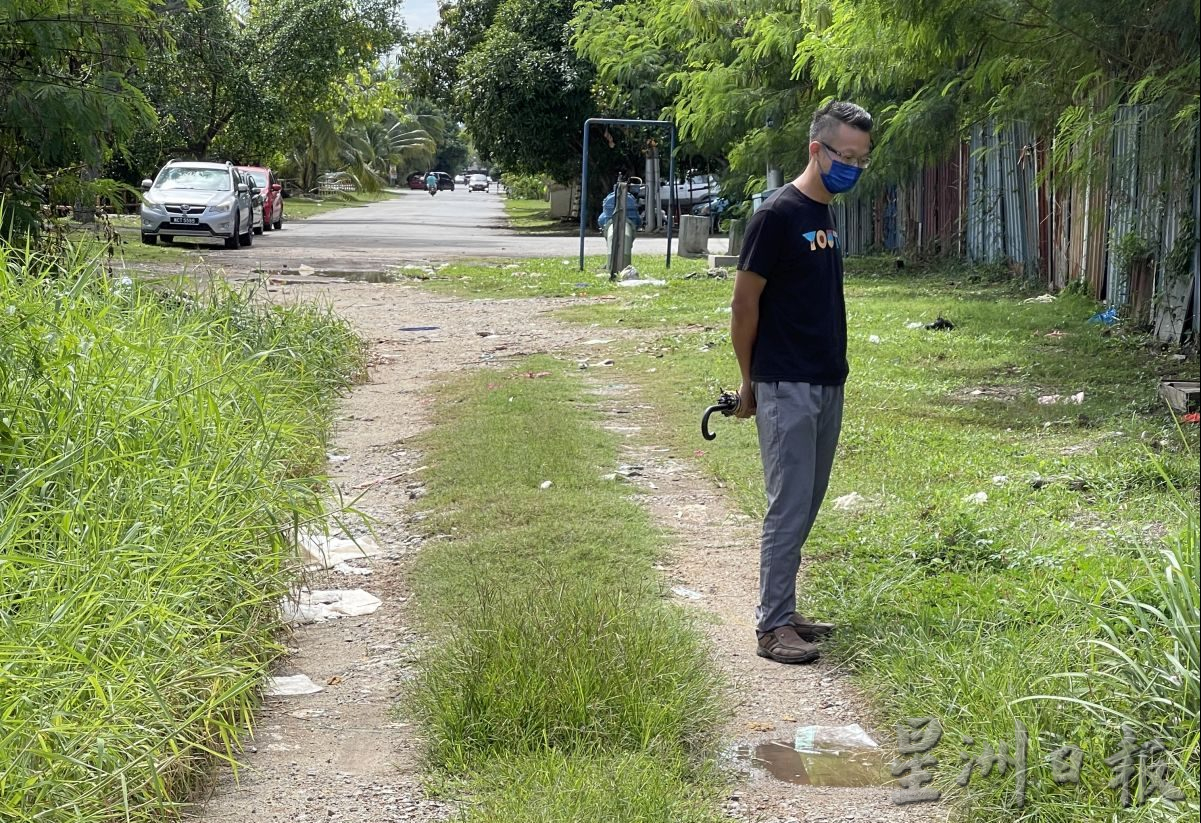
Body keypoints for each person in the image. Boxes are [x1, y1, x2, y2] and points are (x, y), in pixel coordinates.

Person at [729, 100, 873, 665]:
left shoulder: (826, 213)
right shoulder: (778, 215)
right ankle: (771, 627)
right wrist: (750, 381)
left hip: (825, 380)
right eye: (846, 156)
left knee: (807, 501)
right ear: (817, 149)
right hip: (785, 381)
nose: (854, 168)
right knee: (787, 504)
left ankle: (786, 610)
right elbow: (744, 305)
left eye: (862, 160)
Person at [598, 179, 642, 270]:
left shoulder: (610, 202)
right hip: (625, 223)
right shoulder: (630, 200)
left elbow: (601, 219)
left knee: (618, 241)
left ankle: (611, 266)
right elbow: (638, 220)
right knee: (624, 240)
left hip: (613, 224)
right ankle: (622, 266)